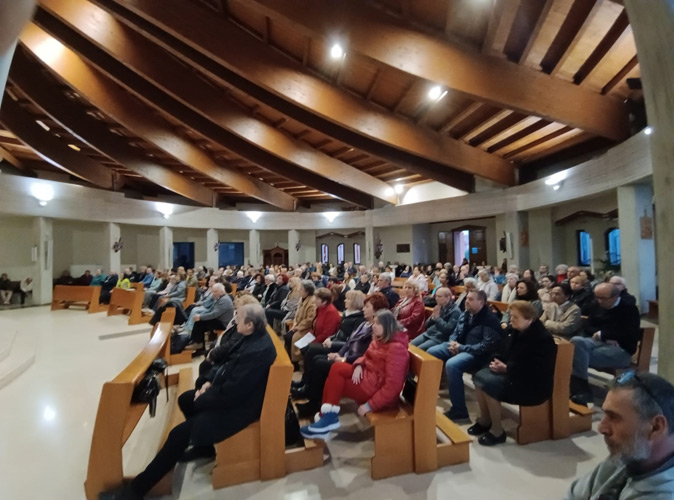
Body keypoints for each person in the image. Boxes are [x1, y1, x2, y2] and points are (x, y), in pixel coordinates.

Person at [99, 303, 276, 500]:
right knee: (185, 399)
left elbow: (234, 392)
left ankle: (134, 492)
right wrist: (208, 382)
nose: (235, 320)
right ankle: (205, 447)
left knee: (179, 434)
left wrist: (205, 396)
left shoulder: (258, 350)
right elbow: (227, 364)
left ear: (250, 324)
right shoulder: (251, 336)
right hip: (230, 395)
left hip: (240, 408)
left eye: (239, 318)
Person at [300, 310, 410, 440]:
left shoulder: (396, 349)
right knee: (337, 367)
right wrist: (359, 364)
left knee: (336, 380)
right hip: (367, 376)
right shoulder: (379, 340)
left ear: (388, 326)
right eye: (374, 322)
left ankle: (326, 418)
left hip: (374, 389)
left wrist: (370, 405)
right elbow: (365, 356)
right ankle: (327, 418)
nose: (373, 326)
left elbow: (393, 386)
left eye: (378, 323)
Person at [565, 372, 674, 499]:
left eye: (614, 417)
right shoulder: (628, 455)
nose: (601, 428)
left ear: (656, 427)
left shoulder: (663, 495)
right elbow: (573, 495)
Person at [469, 301, 557, 446]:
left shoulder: (542, 339)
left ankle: (497, 431)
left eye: (515, 317)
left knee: (488, 384)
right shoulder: (513, 330)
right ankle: (485, 420)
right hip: (513, 375)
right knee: (479, 376)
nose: (511, 320)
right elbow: (499, 349)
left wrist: (507, 368)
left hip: (531, 385)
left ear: (529, 319)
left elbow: (537, 368)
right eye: (511, 316)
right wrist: (496, 361)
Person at [427, 290, 502, 422]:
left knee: (452, 365)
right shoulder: (466, 313)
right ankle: (431, 391)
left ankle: (460, 411)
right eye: (467, 298)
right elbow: (455, 332)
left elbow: (486, 346)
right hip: (460, 346)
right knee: (431, 352)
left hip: (477, 354)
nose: (466, 301)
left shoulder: (489, 319)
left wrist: (461, 348)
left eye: (471, 299)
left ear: (481, 302)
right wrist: (453, 343)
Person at [569, 282, 641, 405]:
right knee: (576, 341)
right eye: (597, 297)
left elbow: (630, 333)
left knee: (575, 355)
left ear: (616, 296)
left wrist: (603, 334)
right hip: (597, 342)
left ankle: (580, 389)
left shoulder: (629, 309)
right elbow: (588, 326)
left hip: (621, 350)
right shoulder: (596, 305)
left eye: (603, 298)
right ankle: (581, 388)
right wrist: (601, 335)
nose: (599, 301)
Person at [411, 287, 461, 351]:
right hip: (429, 333)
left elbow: (448, 330)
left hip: (439, 338)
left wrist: (437, 318)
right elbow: (426, 325)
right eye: (436, 296)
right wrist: (432, 318)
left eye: (439, 296)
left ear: (448, 297)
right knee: (410, 346)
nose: (436, 299)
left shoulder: (455, 311)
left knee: (417, 350)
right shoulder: (439, 307)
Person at [187, 283, 234, 351]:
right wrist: (201, 315)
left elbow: (215, 314)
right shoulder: (220, 298)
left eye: (215, 292)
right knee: (201, 321)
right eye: (213, 292)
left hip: (224, 323)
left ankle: (197, 343)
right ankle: (198, 344)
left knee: (200, 322)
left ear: (222, 291)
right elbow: (211, 310)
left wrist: (201, 317)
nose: (213, 294)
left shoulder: (224, 300)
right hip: (218, 320)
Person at [287, 280, 317, 364]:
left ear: (307, 292)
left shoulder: (312, 302)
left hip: (306, 328)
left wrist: (297, 327)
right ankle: (289, 358)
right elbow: (297, 314)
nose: (299, 290)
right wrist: (295, 324)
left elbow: (310, 320)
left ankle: (295, 361)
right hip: (298, 325)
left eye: (301, 289)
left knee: (293, 338)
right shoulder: (302, 298)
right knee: (287, 336)